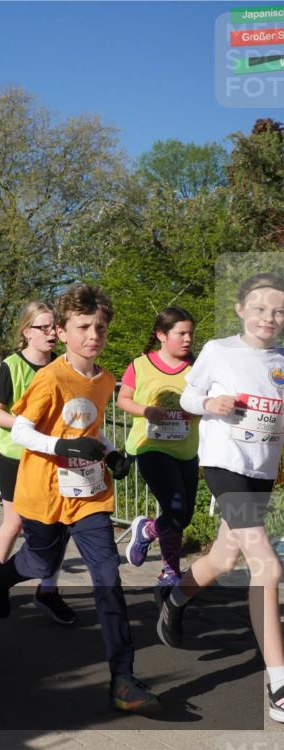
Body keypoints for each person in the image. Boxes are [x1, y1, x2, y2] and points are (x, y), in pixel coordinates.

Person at [0, 284, 158, 713]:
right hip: (44, 492)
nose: (93, 335)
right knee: (42, 564)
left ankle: (123, 677)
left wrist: (111, 453)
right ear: (61, 332)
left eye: (100, 327)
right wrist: (62, 447)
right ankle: (0, 576)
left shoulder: (106, 380)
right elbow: (21, 431)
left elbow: (88, 428)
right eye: (83, 327)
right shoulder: (50, 377)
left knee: (108, 577)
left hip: (89, 495)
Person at [157, 273, 284, 724]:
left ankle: (175, 598)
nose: (269, 318)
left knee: (225, 558)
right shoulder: (218, 350)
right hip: (224, 465)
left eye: (278, 311)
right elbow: (188, 397)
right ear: (240, 309)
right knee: (267, 566)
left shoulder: (282, 359)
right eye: (260, 308)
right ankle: (279, 683)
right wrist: (210, 405)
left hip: (260, 471)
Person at [0, 302, 75, 626]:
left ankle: (48, 591)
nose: (51, 333)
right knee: (15, 521)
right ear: (27, 332)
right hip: (15, 455)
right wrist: (26, 426)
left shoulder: (64, 365)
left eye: (54, 327)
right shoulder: (11, 366)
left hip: (52, 456)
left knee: (60, 524)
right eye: (44, 327)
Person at [117, 308, 199, 588]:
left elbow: (206, 401)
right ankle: (170, 572)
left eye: (191, 333)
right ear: (161, 335)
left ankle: (148, 530)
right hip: (150, 447)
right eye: (181, 333)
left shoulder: (198, 367)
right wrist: (146, 411)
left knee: (183, 516)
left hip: (186, 449)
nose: (188, 339)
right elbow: (123, 399)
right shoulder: (140, 365)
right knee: (175, 509)